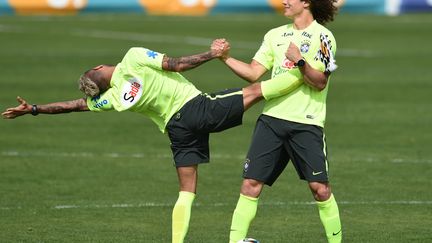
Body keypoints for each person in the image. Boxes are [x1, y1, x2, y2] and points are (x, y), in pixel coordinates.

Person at [2, 40, 302, 243]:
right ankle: (308, 76)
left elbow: (76, 105)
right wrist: (213, 54)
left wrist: (35, 109)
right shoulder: (133, 57)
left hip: (177, 129)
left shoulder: (113, 98)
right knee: (256, 91)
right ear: (97, 69)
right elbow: (177, 64)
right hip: (197, 108)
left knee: (187, 190)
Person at [219, 0, 342, 242]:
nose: (284, 1)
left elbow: (320, 82)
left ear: (306, 2)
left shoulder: (324, 37)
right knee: (250, 184)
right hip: (271, 121)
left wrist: (299, 61)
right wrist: (225, 58)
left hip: (306, 123)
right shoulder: (275, 35)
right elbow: (254, 72)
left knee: (320, 189)